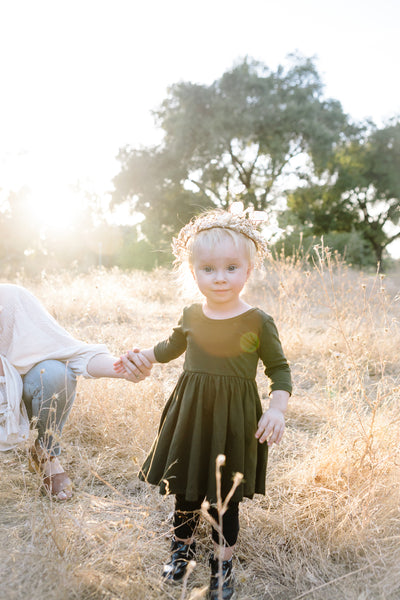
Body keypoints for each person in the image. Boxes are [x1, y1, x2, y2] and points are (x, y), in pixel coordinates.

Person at [115, 207, 292, 599]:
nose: (220, 278)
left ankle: (222, 564)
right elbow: (170, 347)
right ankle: (181, 551)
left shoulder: (257, 321)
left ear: (248, 270)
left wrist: (276, 409)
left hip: (236, 419)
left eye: (231, 267)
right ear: (193, 272)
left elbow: (279, 369)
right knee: (187, 487)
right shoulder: (192, 313)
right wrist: (141, 355)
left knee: (225, 496)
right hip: (192, 413)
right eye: (208, 268)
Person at [0, 283, 151, 501]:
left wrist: (121, 368)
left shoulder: (12, 298)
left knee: (54, 374)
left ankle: (46, 453)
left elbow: (74, 353)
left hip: (21, 395)